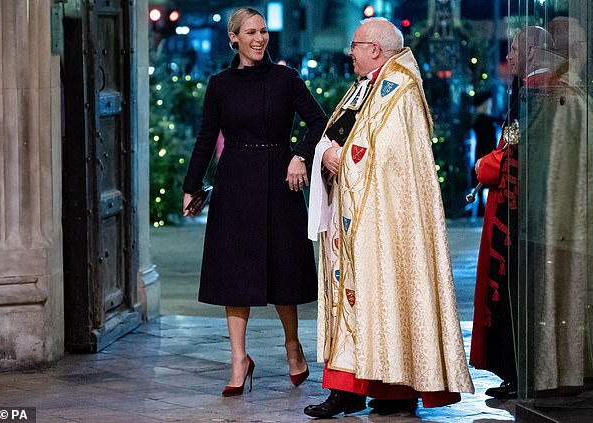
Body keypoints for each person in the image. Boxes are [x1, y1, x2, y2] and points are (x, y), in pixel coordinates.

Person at [304, 18, 474, 418]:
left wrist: (337, 158)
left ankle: (391, 389)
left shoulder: (400, 90)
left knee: (385, 291)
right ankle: (346, 388)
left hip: (384, 221)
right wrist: (324, 153)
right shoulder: (365, 85)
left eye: (355, 45)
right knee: (352, 297)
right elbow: (343, 133)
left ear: (376, 49)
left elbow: (389, 158)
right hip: (353, 215)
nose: (350, 52)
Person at [182, 7, 328, 397]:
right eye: (250, 33)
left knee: (283, 267)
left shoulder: (287, 79)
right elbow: (205, 137)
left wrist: (300, 155)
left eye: (263, 31)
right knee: (235, 273)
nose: (260, 38)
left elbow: (319, 121)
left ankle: (292, 346)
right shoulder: (220, 84)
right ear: (234, 38)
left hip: (283, 181)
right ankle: (238, 361)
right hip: (235, 185)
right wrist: (191, 185)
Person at [470, 26, 561, 399]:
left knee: (515, 292)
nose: (508, 56)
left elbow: (515, 152)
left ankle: (519, 372)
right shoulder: (529, 90)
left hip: (520, 210)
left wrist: (483, 169)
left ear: (535, 53)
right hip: (516, 205)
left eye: (515, 49)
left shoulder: (536, 93)